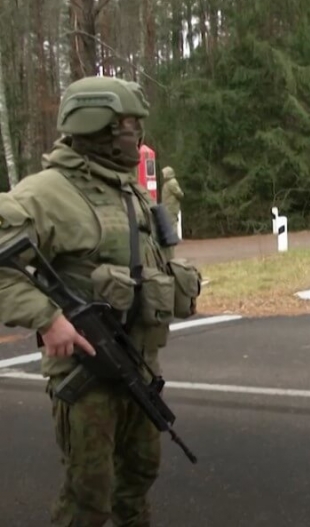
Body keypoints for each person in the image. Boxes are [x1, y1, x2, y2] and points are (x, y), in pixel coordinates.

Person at [0, 75, 202, 525]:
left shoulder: (125, 190)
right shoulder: (47, 192)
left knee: (137, 481)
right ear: (100, 126)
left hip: (138, 367)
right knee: (88, 498)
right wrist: (47, 318)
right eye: (130, 125)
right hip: (86, 375)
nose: (138, 136)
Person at [160, 166, 183, 235]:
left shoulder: (172, 183)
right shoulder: (168, 182)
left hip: (171, 207)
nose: (163, 175)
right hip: (168, 206)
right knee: (170, 222)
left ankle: (174, 237)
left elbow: (180, 194)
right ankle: (172, 237)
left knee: (172, 222)